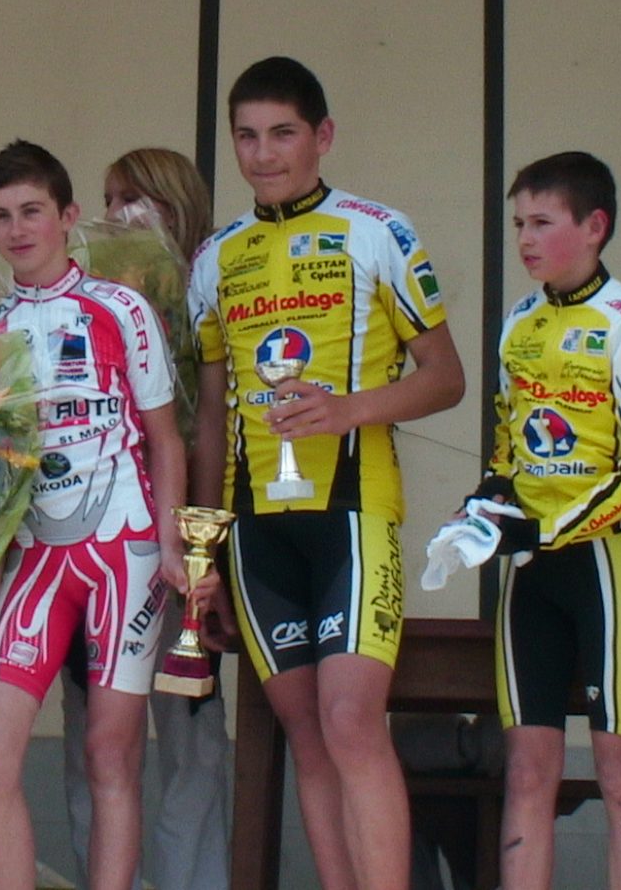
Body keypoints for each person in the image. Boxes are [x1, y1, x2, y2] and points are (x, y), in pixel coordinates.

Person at [187, 56, 465, 890]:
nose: (263, 153)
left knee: (349, 721)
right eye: (246, 136)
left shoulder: (379, 231)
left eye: (283, 134)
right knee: (306, 734)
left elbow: (446, 377)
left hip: (353, 513)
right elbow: (211, 416)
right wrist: (202, 556)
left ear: (323, 136)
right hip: (254, 531)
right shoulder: (215, 258)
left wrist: (347, 409)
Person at [0, 140, 199, 890]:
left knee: (109, 752)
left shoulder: (121, 308)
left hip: (124, 550)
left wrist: (172, 543)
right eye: (1, 216)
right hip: (36, 556)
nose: (17, 229)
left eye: (32, 211)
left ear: (68, 216)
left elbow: (165, 437)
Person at [475, 152, 621, 890]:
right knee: (528, 767)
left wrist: (547, 530)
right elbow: (508, 443)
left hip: (607, 566)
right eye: (518, 224)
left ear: (595, 226)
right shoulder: (518, 322)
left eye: (542, 222)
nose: (525, 239)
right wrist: (487, 498)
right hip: (531, 572)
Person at [59, 147, 231, 890]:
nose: (119, 214)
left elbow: (212, 427)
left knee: (192, 739)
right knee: (96, 741)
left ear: (177, 206)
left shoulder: (210, 291)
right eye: (108, 198)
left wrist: (204, 540)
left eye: (137, 199)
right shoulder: (82, 301)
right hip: (96, 542)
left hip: (184, 542)